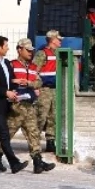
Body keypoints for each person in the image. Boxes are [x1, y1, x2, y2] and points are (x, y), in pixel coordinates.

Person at [8, 38, 56, 174]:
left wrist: (29, 83)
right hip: (16, 105)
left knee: (33, 133)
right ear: (19, 49)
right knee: (9, 133)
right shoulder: (12, 65)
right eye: (27, 50)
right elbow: (5, 81)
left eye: (31, 50)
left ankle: (37, 161)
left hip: (29, 104)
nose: (30, 53)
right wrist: (15, 81)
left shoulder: (33, 67)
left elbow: (38, 82)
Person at [0, 35, 28, 174]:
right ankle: (14, 163)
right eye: (6, 46)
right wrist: (5, 92)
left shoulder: (6, 62)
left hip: (5, 103)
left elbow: (7, 80)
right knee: (4, 134)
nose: (8, 48)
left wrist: (15, 84)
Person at [32, 30, 62, 155]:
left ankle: (50, 141)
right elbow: (34, 71)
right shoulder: (42, 53)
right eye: (58, 39)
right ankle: (34, 142)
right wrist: (35, 88)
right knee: (41, 115)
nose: (60, 41)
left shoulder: (58, 53)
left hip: (55, 89)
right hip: (44, 89)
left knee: (53, 116)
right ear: (52, 40)